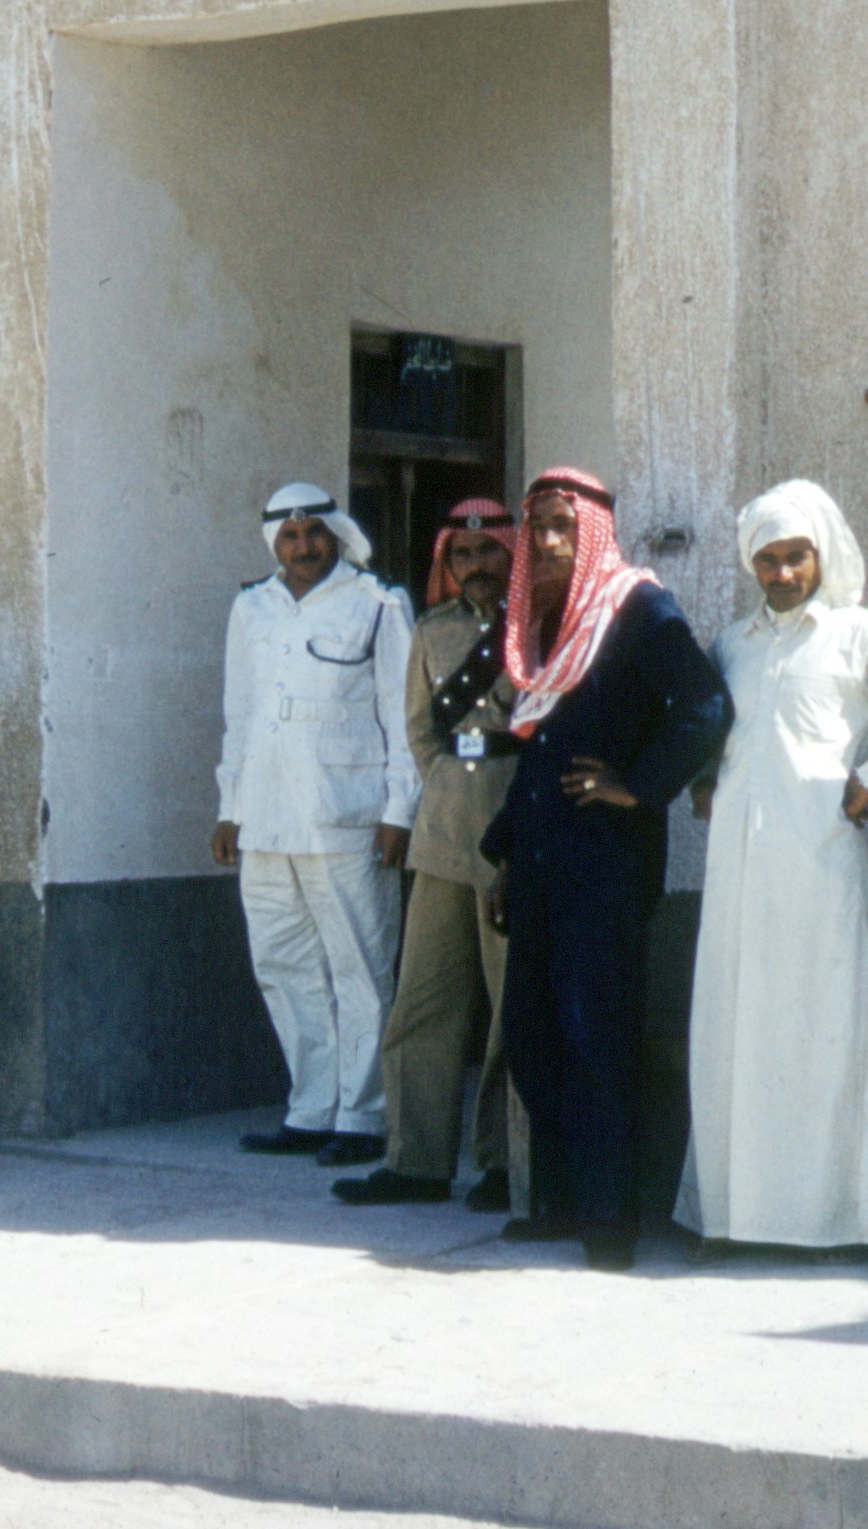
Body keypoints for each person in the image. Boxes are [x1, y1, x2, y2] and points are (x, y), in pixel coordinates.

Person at [678, 481, 868, 1254]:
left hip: (816, 868)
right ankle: (733, 1218)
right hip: (738, 874)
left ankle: (826, 1222)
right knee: (734, 1036)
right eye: (767, 560)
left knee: (818, 1037)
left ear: (821, 554)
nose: (781, 574)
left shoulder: (860, 634)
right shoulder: (734, 642)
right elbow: (711, 728)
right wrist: (704, 776)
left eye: (795, 557)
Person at [476, 469, 730, 1270]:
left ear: (593, 531)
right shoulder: (543, 625)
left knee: (597, 1036)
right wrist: (507, 854)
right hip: (544, 859)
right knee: (532, 1031)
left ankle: (609, 1219)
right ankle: (560, 1202)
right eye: (538, 525)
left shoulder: (639, 607)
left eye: (563, 525)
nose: (548, 540)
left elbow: (705, 707)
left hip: (607, 862)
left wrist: (639, 787)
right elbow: (535, 752)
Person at [213, 481, 419, 1167]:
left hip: (346, 817)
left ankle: (363, 1116)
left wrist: (399, 811)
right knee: (283, 963)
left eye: (315, 534)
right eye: (291, 536)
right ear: (275, 541)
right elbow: (239, 713)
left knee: (359, 966)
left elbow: (403, 715)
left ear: (334, 534)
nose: (304, 547)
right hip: (267, 820)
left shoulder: (377, 603)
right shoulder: (252, 608)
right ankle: (310, 1108)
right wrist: (229, 807)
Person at [334, 498, 526, 1211]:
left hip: (516, 821)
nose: (477, 567)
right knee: (424, 996)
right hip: (444, 829)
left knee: (512, 1004)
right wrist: (446, 785)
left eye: (491, 553)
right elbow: (419, 729)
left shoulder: (536, 630)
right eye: (463, 556)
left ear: (513, 554)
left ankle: (507, 1161)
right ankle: (415, 1159)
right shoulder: (431, 630)